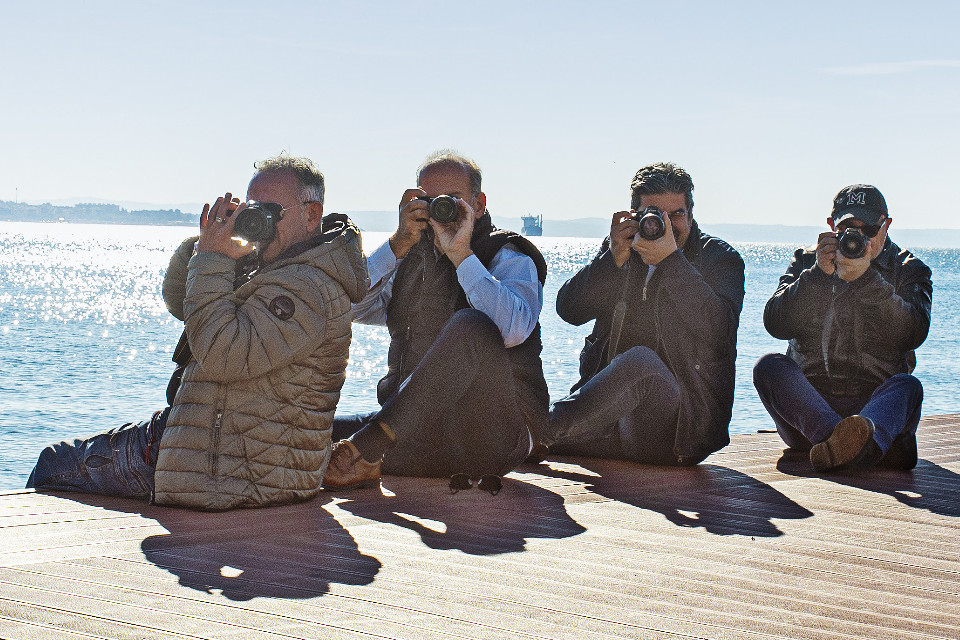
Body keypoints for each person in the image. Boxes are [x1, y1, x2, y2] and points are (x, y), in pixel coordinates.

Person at [26, 155, 370, 510]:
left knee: (52, 464)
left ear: (311, 215)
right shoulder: (279, 268)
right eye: (251, 209)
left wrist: (213, 260)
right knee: (59, 460)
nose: (258, 219)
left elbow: (225, 354)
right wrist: (208, 246)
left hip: (229, 473)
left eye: (269, 210)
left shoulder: (305, 287)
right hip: (215, 450)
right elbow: (181, 303)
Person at [322, 150, 549, 489]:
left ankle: (372, 449)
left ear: (480, 204)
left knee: (471, 325)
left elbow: (513, 330)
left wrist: (461, 255)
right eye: (429, 201)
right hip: (414, 426)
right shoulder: (413, 258)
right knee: (308, 429)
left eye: (454, 200)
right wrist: (396, 245)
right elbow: (345, 309)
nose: (441, 209)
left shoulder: (508, 255)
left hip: (492, 435)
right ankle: (376, 451)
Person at [546, 162, 745, 466]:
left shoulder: (720, 259)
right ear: (635, 216)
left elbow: (720, 332)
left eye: (676, 214)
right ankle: (549, 435)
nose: (665, 223)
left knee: (642, 362)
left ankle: (539, 433)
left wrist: (672, 263)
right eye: (654, 214)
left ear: (691, 215)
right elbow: (569, 311)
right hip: (612, 420)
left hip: (679, 430)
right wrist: (610, 261)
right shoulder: (623, 249)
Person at [754, 184, 932, 472]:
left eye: (869, 230)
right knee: (769, 367)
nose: (858, 237)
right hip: (811, 410)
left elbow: (913, 333)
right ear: (831, 226)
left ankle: (839, 445)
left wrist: (866, 281)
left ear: (886, 225)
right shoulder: (808, 262)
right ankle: (865, 447)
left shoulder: (910, 270)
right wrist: (815, 278)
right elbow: (776, 324)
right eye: (848, 228)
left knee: (907, 387)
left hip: (875, 406)